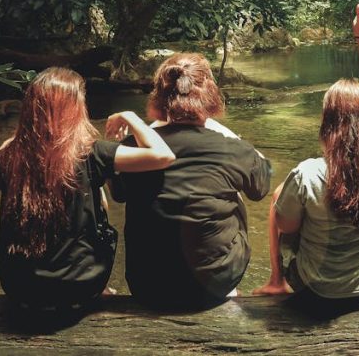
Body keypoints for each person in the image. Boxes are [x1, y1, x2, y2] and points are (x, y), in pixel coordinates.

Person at [0, 67, 176, 310]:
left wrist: (2, 150)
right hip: (80, 287)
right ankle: (99, 288)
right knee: (96, 192)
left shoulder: (10, 155)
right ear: (76, 109)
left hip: (19, 288)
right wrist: (132, 117)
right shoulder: (91, 152)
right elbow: (163, 156)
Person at [253, 1, 359, 315]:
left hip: (318, 291)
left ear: (329, 124)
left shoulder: (310, 173)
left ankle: (276, 280)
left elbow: (285, 225)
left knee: (282, 197)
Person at [114, 53, 272, 311]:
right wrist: (228, 134)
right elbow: (261, 188)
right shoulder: (232, 148)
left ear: (159, 97)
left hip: (147, 286)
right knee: (234, 191)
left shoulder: (135, 146)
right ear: (209, 95)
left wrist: (136, 137)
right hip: (214, 285)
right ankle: (224, 283)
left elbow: (119, 194)